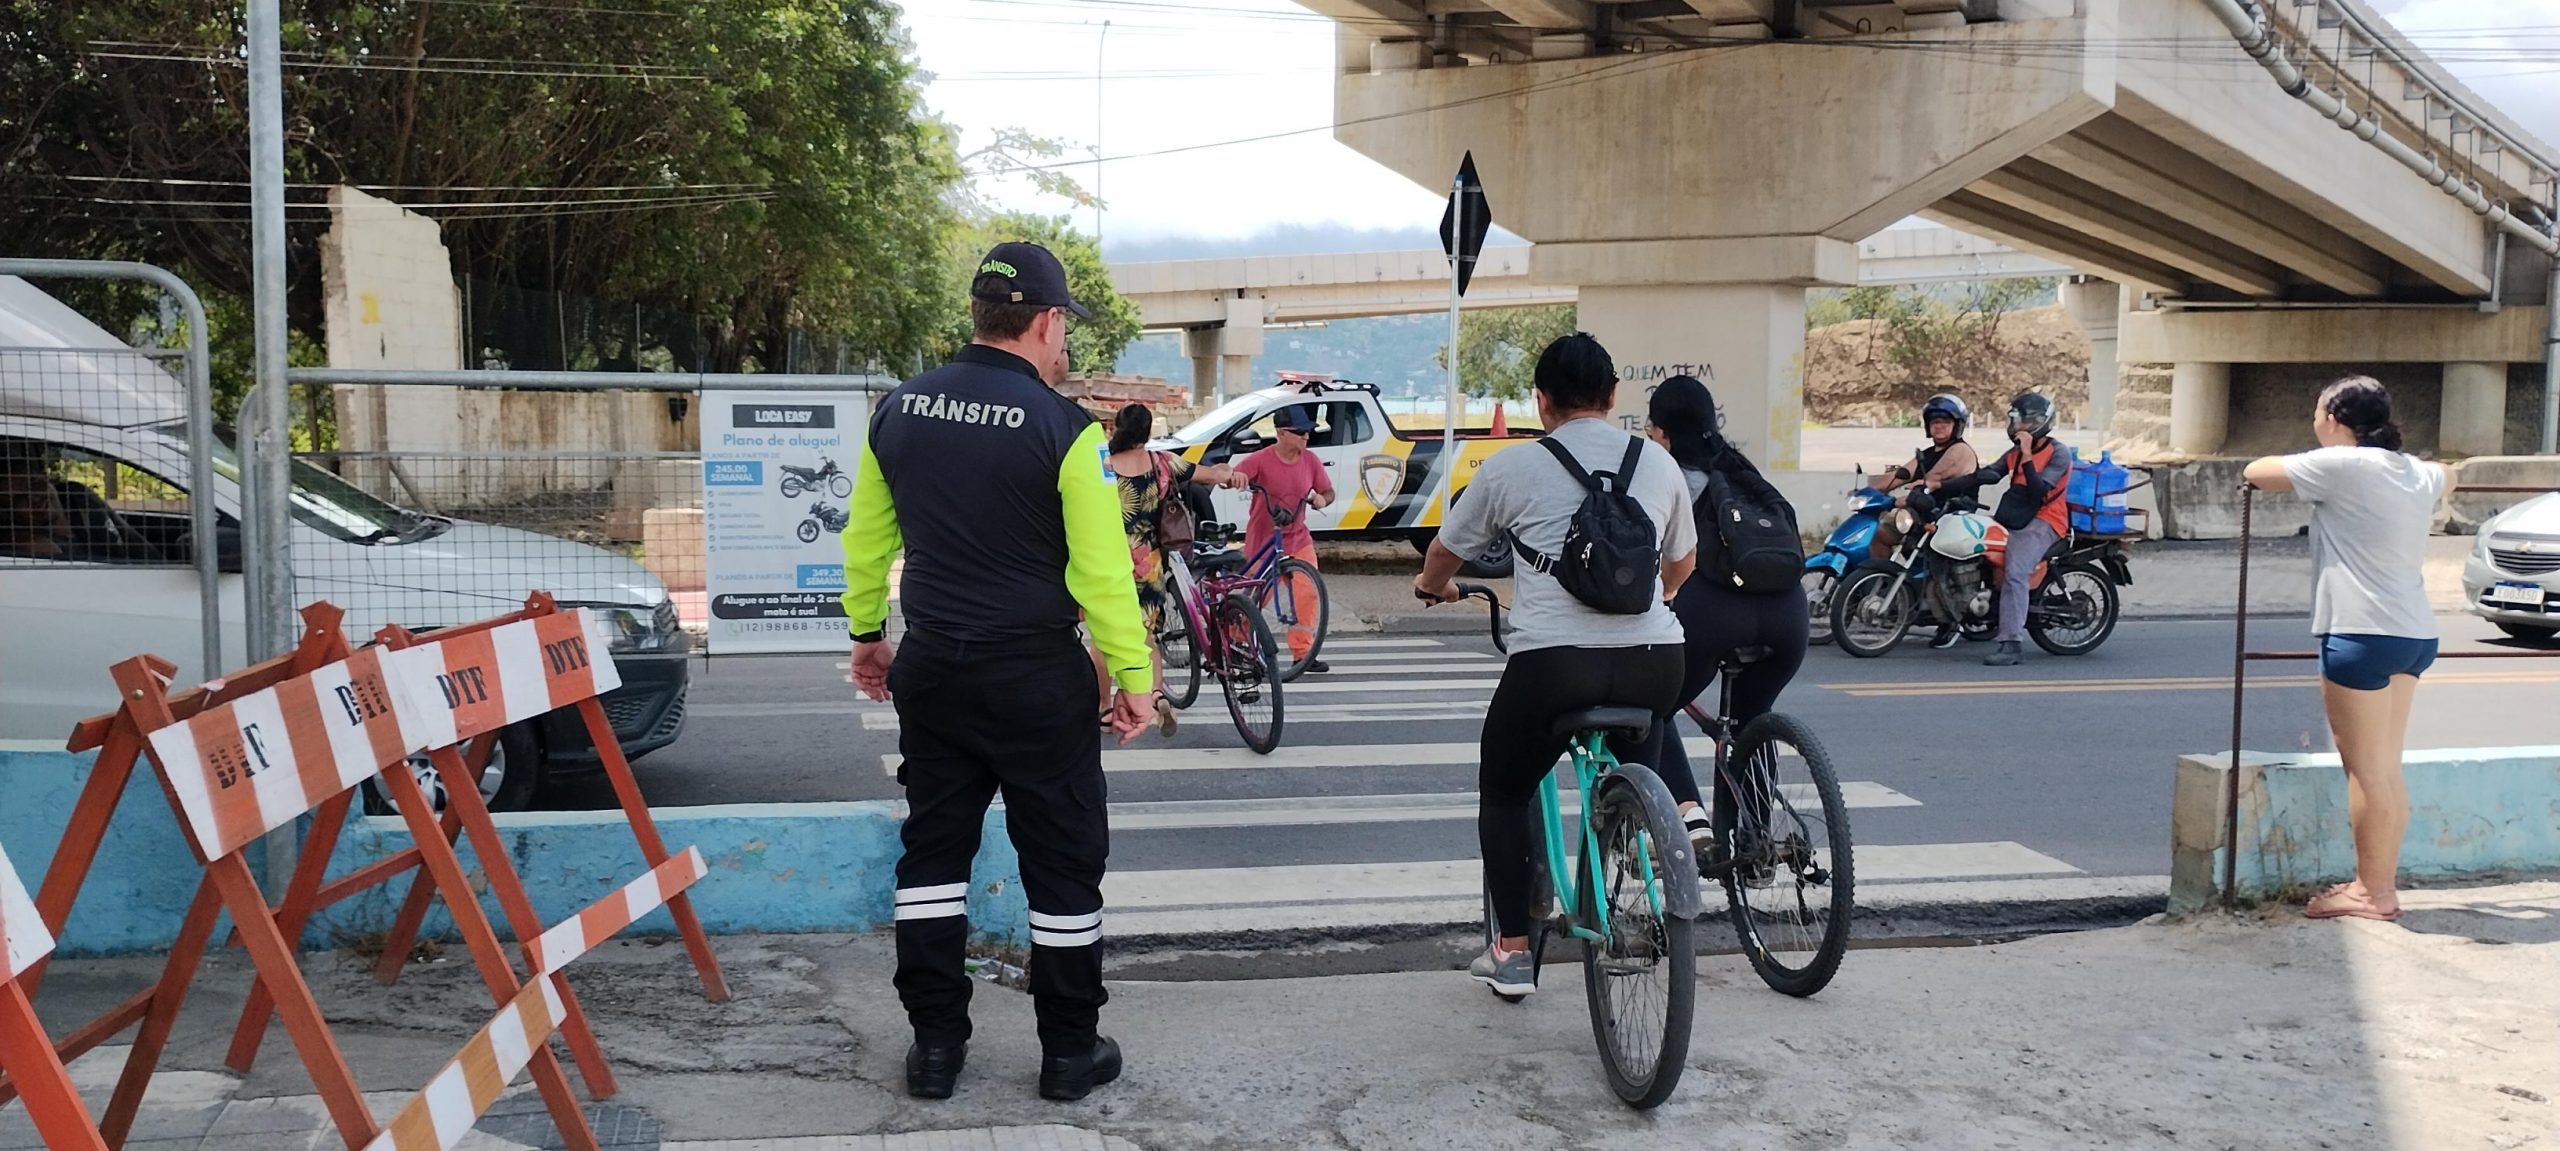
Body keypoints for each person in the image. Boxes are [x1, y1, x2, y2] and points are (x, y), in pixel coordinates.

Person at [840, 241, 1147, 1103]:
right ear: (1046, 321)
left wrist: (869, 632)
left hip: (933, 665)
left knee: (933, 855)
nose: (1063, 348)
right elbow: (1102, 573)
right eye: (1063, 331)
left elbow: (867, 539)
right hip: (1035, 676)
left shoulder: (897, 410)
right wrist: (1132, 675)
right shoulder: (1066, 431)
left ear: (979, 313)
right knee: (1063, 861)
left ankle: (936, 1047)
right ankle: (1066, 1053)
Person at [1412, 333, 1697, 997]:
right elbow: (1682, 563)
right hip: (1656, 660)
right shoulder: (1657, 463)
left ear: (1540, 402)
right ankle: (1639, 833)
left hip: (1552, 666)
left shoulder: (1511, 468)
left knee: (1504, 789)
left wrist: (1433, 588)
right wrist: (1655, 598)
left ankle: (1512, 949)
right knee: (1642, 747)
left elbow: (1443, 556)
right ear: (1614, 398)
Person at [2241, 377, 2445, 922]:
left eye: (2317, 413)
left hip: (2360, 632)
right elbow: (2451, 477)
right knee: (2387, 768)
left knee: (2365, 771)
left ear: (2334, 418)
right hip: (2415, 632)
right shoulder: (2421, 472)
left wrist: (2321, 454)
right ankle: (2383, 886)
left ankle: (2369, 892)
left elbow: (2256, 470)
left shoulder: (2342, 464)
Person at [1644, 376, 1809, 850]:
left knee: (1652, 712)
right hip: (1788, 615)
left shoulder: (1664, 474)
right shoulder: (1742, 471)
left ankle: (1694, 825)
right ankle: (1756, 843)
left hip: (1714, 611)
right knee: (1753, 717)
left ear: (1662, 433)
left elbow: (1651, 557)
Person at [1102, 402, 1238, 735]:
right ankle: (1156, 696)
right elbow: (1206, 474)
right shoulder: (1160, 461)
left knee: (1105, 641)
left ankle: (1104, 707)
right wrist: (1227, 474)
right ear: (1147, 432)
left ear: (1117, 429)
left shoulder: (1103, 465)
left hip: (1110, 559)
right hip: (1149, 561)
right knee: (1147, 635)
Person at [1930, 392, 2073, 667]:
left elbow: (2037, 491)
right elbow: (1988, 474)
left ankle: (2011, 643)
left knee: (2015, 572)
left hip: (2045, 520)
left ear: (2040, 423)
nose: (2018, 427)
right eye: (2016, 420)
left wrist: (2028, 454)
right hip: (2016, 515)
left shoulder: (2058, 453)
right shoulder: (2014, 453)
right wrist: (1942, 487)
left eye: (2024, 421)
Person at [1869, 394, 1980, 648]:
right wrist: (1872, 492)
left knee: (1936, 564)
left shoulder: (1960, 451)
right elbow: (1901, 474)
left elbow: (1929, 479)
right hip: (1924, 517)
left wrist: (1907, 496)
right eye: (1934, 421)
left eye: (1944, 421)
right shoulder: (1927, 454)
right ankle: (1885, 586)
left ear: (1957, 425)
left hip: (1952, 519)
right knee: (1881, 536)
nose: (1939, 425)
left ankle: (1950, 622)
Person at [1230, 406, 1335, 673]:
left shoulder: (1310, 460)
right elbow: (1232, 477)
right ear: (1281, 433)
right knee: (1255, 596)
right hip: (1263, 539)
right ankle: (1236, 642)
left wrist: (1323, 498)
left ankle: (1303, 653)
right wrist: (1236, 478)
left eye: (1308, 431)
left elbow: (1328, 491)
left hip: (1297, 537)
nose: (1306, 436)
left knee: (1307, 591)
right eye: (1300, 432)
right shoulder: (1261, 459)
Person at [0, 443, 70, 561]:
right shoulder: (37, 546)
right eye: (18, 499)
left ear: (44, 476)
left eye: (35, 485)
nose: (34, 499)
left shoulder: (80, 501)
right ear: (12, 513)